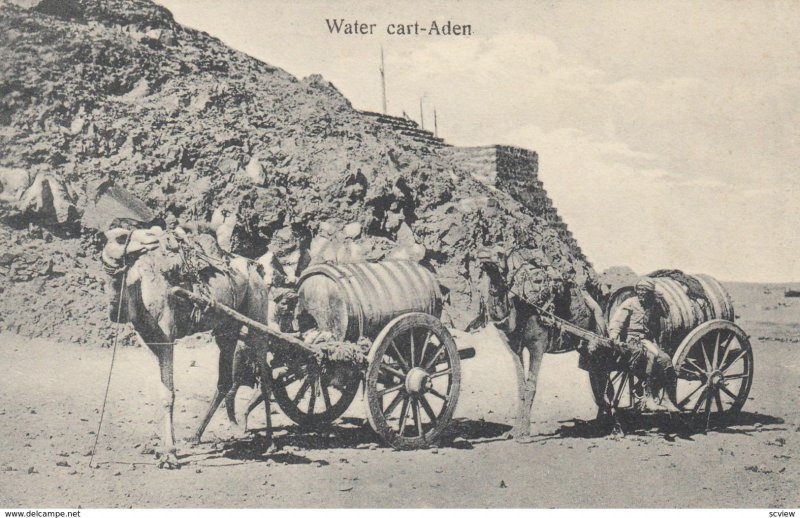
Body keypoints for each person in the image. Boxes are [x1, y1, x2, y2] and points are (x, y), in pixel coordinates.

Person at [608, 278, 679, 412]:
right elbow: (617, 322)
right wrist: (613, 336)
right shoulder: (630, 303)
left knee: (666, 361)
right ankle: (649, 396)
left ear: (650, 292)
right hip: (632, 340)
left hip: (647, 340)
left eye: (645, 290)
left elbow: (661, 323)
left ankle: (667, 398)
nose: (641, 292)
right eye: (639, 289)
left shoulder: (653, 305)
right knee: (650, 358)